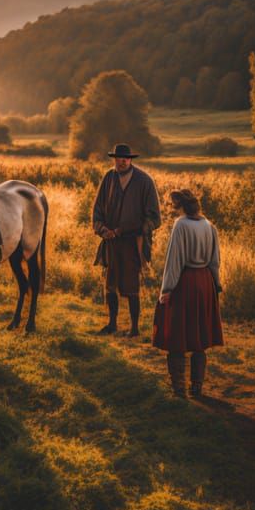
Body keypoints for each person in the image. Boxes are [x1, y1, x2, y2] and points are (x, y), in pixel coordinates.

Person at [153, 188, 224, 398]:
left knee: (177, 335)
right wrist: (216, 285)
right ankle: (197, 386)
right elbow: (215, 261)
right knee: (199, 336)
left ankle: (179, 389)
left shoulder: (180, 225)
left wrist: (167, 289)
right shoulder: (209, 226)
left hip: (185, 282)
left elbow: (174, 260)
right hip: (205, 282)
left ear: (181, 206)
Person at [91, 142, 161, 336]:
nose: (121, 162)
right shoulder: (108, 178)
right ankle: (112, 324)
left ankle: (135, 328)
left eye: (125, 159)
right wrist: (102, 229)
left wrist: (137, 229)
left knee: (132, 286)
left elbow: (155, 218)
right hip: (111, 242)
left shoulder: (144, 181)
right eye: (118, 158)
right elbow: (97, 210)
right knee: (110, 284)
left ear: (130, 159)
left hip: (133, 243)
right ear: (114, 159)